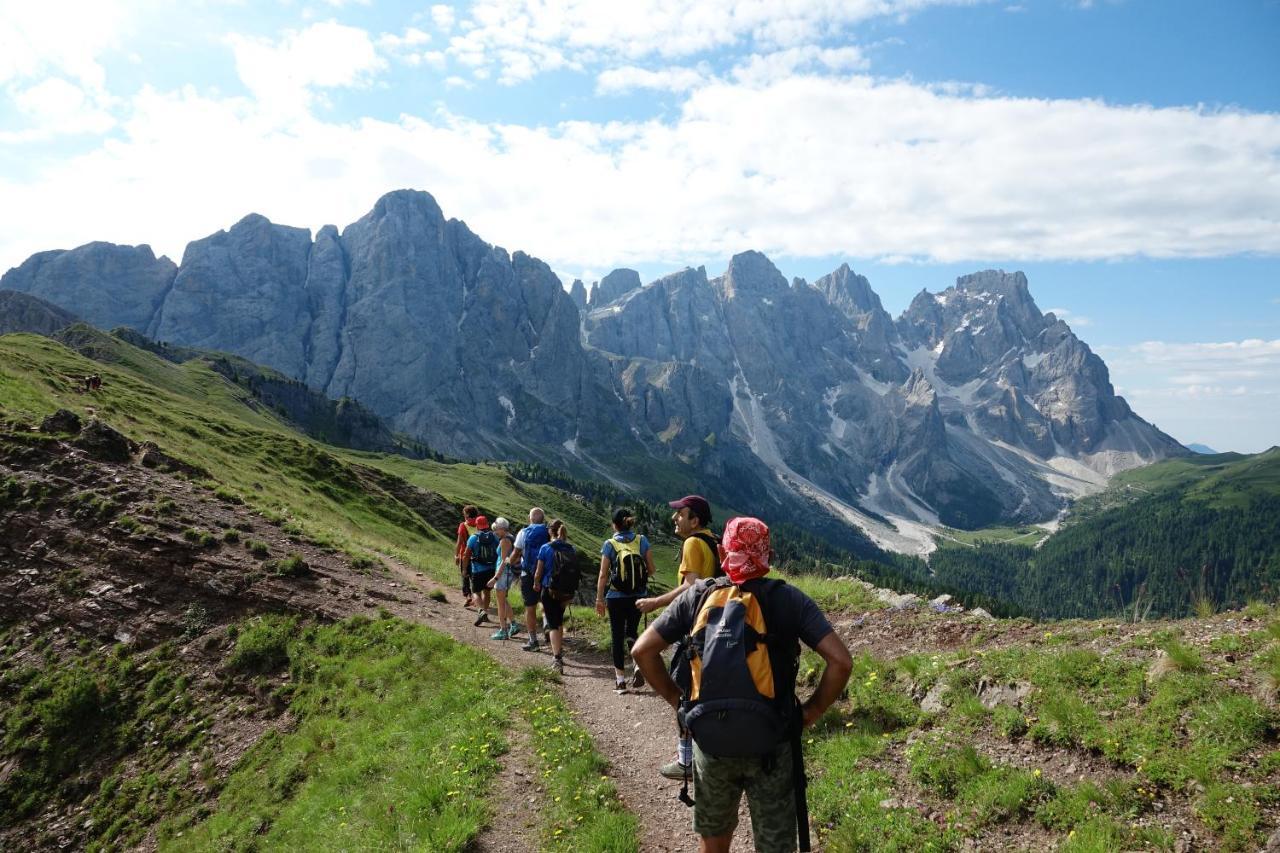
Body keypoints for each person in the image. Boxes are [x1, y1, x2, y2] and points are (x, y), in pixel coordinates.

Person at [632, 516, 853, 853]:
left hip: (711, 741)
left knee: (715, 840)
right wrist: (812, 711)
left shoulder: (697, 596)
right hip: (773, 742)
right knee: (775, 843)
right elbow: (841, 661)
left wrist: (681, 704)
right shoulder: (789, 599)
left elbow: (642, 650)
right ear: (770, 556)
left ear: (722, 551)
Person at [636, 494, 720, 779]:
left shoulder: (693, 542)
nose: (675, 518)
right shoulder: (713, 540)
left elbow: (690, 586)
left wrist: (654, 603)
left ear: (694, 520)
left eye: (681, 514)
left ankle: (687, 761)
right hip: (715, 625)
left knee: (684, 693)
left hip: (694, 628)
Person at [595, 507, 655, 692]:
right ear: (630, 522)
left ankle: (620, 681)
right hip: (638, 596)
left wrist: (599, 598)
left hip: (615, 597)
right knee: (632, 631)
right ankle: (637, 665)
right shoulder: (641, 540)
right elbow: (651, 569)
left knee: (617, 635)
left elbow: (603, 575)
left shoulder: (609, 544)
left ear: (614, 525)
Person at [532, 518, 575, 674]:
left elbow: (538, 571)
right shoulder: (571, 548)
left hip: (549, 590)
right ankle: (559, 649)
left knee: (553, 623)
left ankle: (557, 658)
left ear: (550, 531)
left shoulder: (545, 547)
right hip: (566, 591)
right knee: (559, 621)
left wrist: (536, 583)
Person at [510, 507, 550, 652]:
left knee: (530, 608)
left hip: (528, 575)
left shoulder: (523, 532)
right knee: (545, 602)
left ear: (530, 518)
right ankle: (547, 623)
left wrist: (509, 562)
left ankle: (533, 641)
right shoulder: (548, 532)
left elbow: (516, 553)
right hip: (546, 575)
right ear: (543, 519)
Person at [486, 517, 519, 640]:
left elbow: (504, 561)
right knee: (503, 600)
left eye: (496, 530)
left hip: (503, 574)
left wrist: (495, 578)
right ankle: (514, 625)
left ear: (502, 528)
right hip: (508, 573)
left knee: (500, 603)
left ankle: (503, 630)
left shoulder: (505, 540)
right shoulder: (512, 537)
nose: (495, 532)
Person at [463, 515, 499, 627]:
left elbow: (466, 555)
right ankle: (485, 613)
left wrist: (464, 569)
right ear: (487, 525)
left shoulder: (473, 538)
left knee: (475, 592)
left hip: (477, 570)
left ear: (477, 525)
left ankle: (481, 611)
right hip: (492, 569)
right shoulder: (494, 536)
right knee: (487, 591)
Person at [454, 505, 480, 607]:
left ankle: (468, 596)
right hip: (477, 556)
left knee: (465, 576)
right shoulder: (479, 525)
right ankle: (476, 597)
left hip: (465, 554)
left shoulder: (463, 525)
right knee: (474, 577)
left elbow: (459, 542)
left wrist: (456, 555)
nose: (463, 516)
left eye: (464, 514)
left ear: (467, 515)